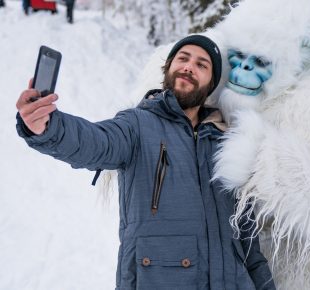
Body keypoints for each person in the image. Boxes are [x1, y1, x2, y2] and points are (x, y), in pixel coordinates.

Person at [16, 35, 276, 290]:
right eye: (183, 58)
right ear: (168, 68)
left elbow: (248, 242)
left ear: (211, 84)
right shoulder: (137, 124)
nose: (189, 67)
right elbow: (96, 141)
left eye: (201, 64)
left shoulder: (228, 143)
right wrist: (48, 127)